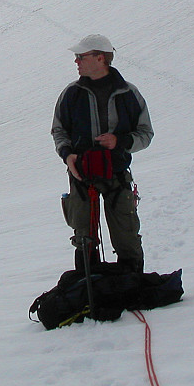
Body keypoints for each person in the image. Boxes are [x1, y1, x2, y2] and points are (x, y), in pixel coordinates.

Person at [51, 34, 153, 274]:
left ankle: (130, 285)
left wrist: (120, 141)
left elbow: (145, 134)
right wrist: (68, 155)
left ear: (100, 58)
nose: (76, 61)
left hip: (116, 174)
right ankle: (92, 291)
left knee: (126, 235)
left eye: (81, 57)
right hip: (81, 177)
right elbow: (59, 131)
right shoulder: (71, 94)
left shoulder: (129, 93)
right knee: (84, 238)